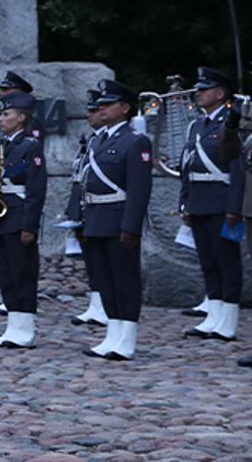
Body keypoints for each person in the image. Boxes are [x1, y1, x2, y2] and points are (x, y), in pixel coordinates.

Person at [78, 79, 153, 361]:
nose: (102, 109)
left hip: (119, 219)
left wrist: (131, 226)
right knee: (105, 280)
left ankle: (127, 337)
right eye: (101, 105)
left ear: (124, 108)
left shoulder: (135, 141)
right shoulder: (98, 140)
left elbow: (139, 189)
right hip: (96, 218)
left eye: (109, 104)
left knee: (125, 280)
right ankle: (113, 333)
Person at [180, 67, 242, 341]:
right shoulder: (197, 126)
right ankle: (213, 315)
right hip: (199, 201)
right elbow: (187, 166)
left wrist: (234, 207)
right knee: (208, 262)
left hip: (221, 201)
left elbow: (238, 169)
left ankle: (228, 320)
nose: (199, 93)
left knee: (227, 262)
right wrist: (185, 202)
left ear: (220, 93)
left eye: (204, 89)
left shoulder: (232, 123)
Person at [0, 92, 48, 348]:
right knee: (6, 273)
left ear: (21, 118)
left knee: (22, 273)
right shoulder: (2, 145)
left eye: (6, 114)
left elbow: (36, 190)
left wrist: (29, 225)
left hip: (20, 215)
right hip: (1, 215)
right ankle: (13, 325)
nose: (1, 119)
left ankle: (25, 328)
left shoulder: (31, 146)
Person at [66, 88, 111, 329]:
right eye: (90, 111)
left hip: (105, 208)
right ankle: (96, 303)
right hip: (86, 205)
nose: (89, 115)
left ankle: (108, 305)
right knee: (92, 260)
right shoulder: (92, 140)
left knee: (106, 261)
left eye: (94, 111)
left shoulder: (113, 140)